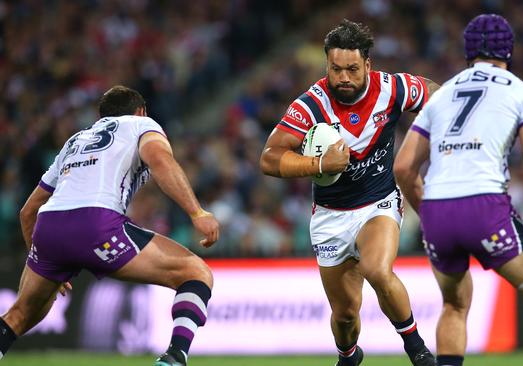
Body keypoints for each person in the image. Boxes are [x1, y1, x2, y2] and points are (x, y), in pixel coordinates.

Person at [394, 14, 523, 366]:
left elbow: (403, 167)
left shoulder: (442, 94)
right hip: (484, 206)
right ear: (509, 51)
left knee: (454, 305)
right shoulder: (519, 91)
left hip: (436, 210)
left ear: (467, 52)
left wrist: (428, 211)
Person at [260, 19, 438, 366]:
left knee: (377, 270)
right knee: (344, 316)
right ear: (326, 64)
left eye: (352, 69)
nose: (343, 77)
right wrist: (320, 164)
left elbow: (433, 92)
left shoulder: (392, 89)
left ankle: (417, 350)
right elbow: (269, 159)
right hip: (329, 215)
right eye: (335, 69)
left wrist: (442, 130)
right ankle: (348, 355)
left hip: (379, 203)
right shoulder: (311, 104)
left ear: (367, 65)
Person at [0, 86, 219, 366]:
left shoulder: (75, 141)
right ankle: (175, 357)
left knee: (19, 315)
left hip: (48, 227)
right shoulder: (141, 124)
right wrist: (196, 211)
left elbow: (28, 211)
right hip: (96, 225)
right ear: (140, 111)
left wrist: (43, 259)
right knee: (196, 272)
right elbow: (161, 160)